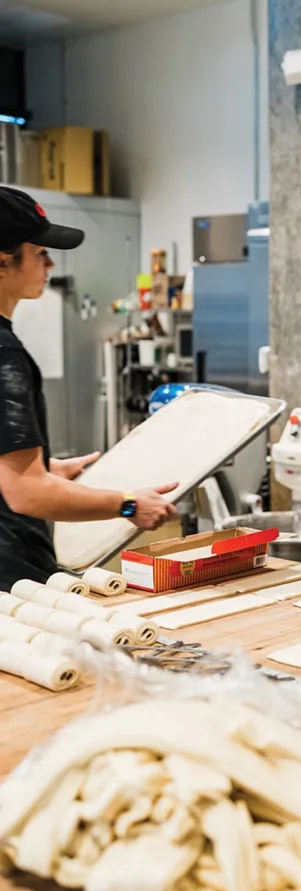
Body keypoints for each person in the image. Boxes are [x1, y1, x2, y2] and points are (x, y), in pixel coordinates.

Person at [0, 186, 178, 591]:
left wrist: (42, 466)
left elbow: (16, 477)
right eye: (39, 251)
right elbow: (26, 495)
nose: (50, 263)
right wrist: (129, 504)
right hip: (12, 579)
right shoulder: (4, 355)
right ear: (2, 260)